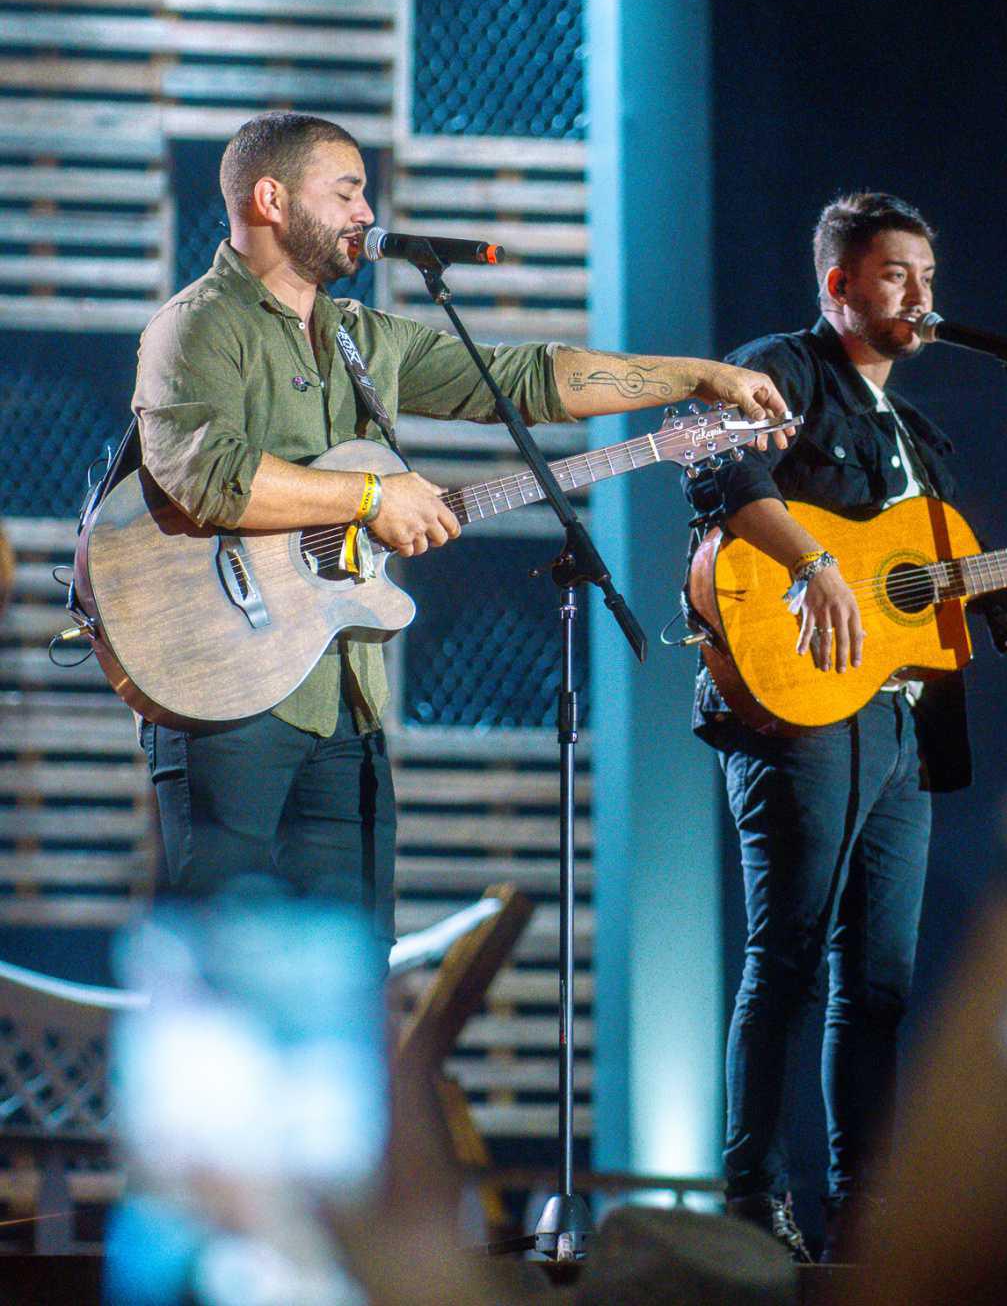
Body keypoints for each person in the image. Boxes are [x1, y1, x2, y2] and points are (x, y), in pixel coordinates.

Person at [130, 111, 789, 977]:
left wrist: (699, 376)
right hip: (219, 692)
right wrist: (373, 494)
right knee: (220, 973)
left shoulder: (363, 338)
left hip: (343, 700)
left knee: (354, 973)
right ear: (271, 198)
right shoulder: (197, 325)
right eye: (349, 191)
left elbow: (526, 379)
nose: (368, 211)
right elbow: (204, 477)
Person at [684, 190, 1007, 1261]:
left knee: (880, 981)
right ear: (840, 283)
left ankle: (866, 1216)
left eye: (929, 277)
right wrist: (815, 567)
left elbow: (950, 593)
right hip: (799, 711)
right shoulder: (784, 367)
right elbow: (715, 466)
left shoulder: (922, 435)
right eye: (899, 274)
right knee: (789, 955)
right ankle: (750, 1196)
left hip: (902, 728)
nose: (923, 296)